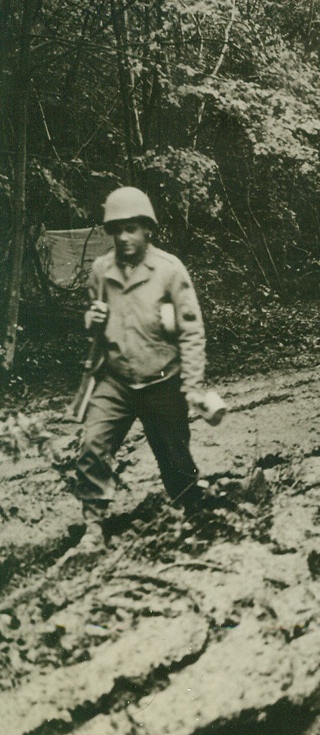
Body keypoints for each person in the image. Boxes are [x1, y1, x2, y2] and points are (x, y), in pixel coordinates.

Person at [74, 187, 210, 551]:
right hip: (115, 380)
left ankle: (192, 514)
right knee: (92, 446)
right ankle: (93, 525)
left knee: (175, 458)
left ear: (148, 229)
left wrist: (192, 384)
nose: (123, 237)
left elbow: (192, 330)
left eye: (131, 228)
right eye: (116, 229)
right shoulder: (101, 270)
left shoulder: (169, 271)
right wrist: (92, 319)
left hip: (161, 379)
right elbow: (93, 320)